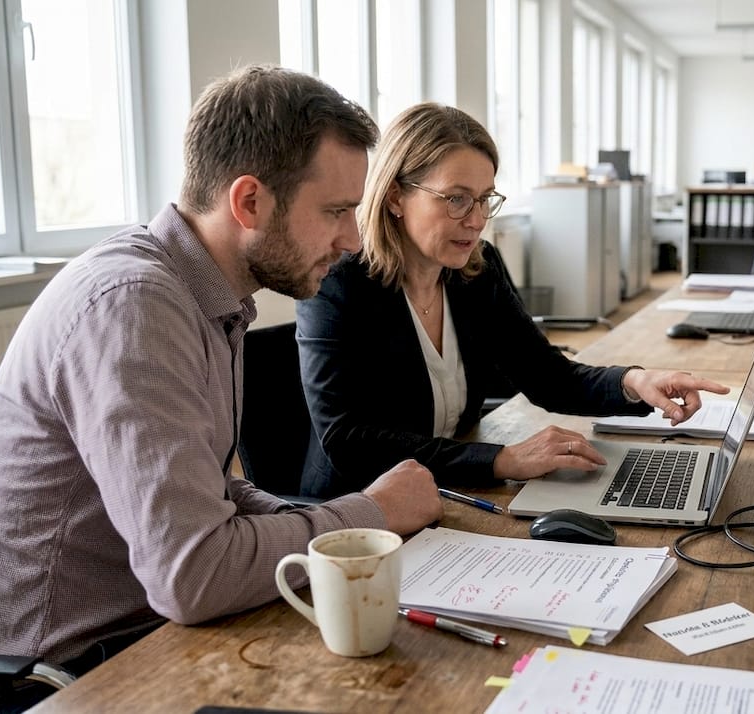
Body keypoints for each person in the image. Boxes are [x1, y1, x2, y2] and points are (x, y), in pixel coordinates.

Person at [0, 65, 443, 677]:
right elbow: (194, 573)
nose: (352, 238)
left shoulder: (208, 294)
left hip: (154, 628)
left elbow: (204, 486)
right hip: (72, 672)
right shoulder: (135, 307)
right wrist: (368, 516)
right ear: (248, 201)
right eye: (336, 211)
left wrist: (316, 520)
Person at [295, 102, 729, 498]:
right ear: (395, 197)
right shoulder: (339, 283)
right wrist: (502, 460)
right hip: (359, 511)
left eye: (485, 199)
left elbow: (545, 374)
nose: (478, 220)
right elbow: (349, 440)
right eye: (457, 199)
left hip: (453, 490)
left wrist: (635, 382)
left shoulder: (476, 271)